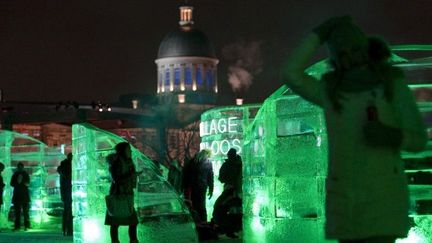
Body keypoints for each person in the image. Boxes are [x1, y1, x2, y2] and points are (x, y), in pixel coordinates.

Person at [281, 16, 428, 243]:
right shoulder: (331, 92)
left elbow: (418, 139)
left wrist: (390, 135)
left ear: (366, 48)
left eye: (354, 50)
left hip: (383, 199)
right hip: (347, 202)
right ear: (335, 59)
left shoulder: (390, 83)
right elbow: (291, 74)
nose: (350, 59)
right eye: (341, 55)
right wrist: (319, 33)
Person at [105, 142, 140, 243]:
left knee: (133, 221)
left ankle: (133, 240)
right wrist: (132, 174)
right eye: (128, 149)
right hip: (118, 194)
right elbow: (116, 179)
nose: (130, 151)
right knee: (115, 222)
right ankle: (116, 241)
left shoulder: (129, 162)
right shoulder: (116, 162)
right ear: (123, 150)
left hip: (127, 194)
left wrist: (134, 175)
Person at [212, 148, 242, 238]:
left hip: (230, 189)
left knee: (224, 208)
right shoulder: (239, 164)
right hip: (238, 190)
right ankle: (233, 229)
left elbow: (221, 178)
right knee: (235, 210)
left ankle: (229, 229)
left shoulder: (226, 165)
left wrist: (228, 180)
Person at [182, 149, 214, 222]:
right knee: (202, 205)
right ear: (207, 154)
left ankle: (196, 221)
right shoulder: (208, 163)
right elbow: (210, 177)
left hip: (194, 186)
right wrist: (211, 189)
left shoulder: (193, 161)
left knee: (194, 204)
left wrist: (186, 186)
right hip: (202, 186)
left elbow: (187, 175)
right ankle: (204, 221)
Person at [10, 162, 31, 231]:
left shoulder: (22, 174)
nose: (20, 169)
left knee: (24, 212)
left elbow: (27, 183)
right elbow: (12, 183)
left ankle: (25, 226)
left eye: (20, 167)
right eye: (19, 167)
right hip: (20, 196)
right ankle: (20, 226)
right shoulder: (16, 174)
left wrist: (21, 181)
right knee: (19, 212)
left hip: (21, 195)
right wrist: (18, 182)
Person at [57, 153, 73, 236]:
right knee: (68, 211)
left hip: (66, 193)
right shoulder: (68, 167)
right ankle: (68, 230)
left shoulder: (63, 167)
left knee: (67, 211)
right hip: (68, 193)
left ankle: (66, 230)